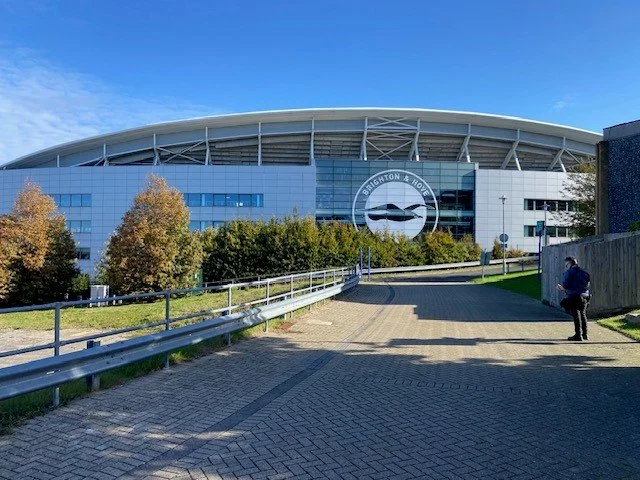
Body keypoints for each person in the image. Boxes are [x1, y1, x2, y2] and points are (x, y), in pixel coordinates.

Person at [556, 256, 591, 341]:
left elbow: (566, 285)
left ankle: (578, 335)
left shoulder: (569, 273)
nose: (566, 266)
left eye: (566, 265)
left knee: (576, 315)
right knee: (583, 314)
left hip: (574, 296)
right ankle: (585, 334)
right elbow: (587, 284)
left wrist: (561, 288)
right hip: (585, 296)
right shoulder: (584, 273)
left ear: (569, 263)